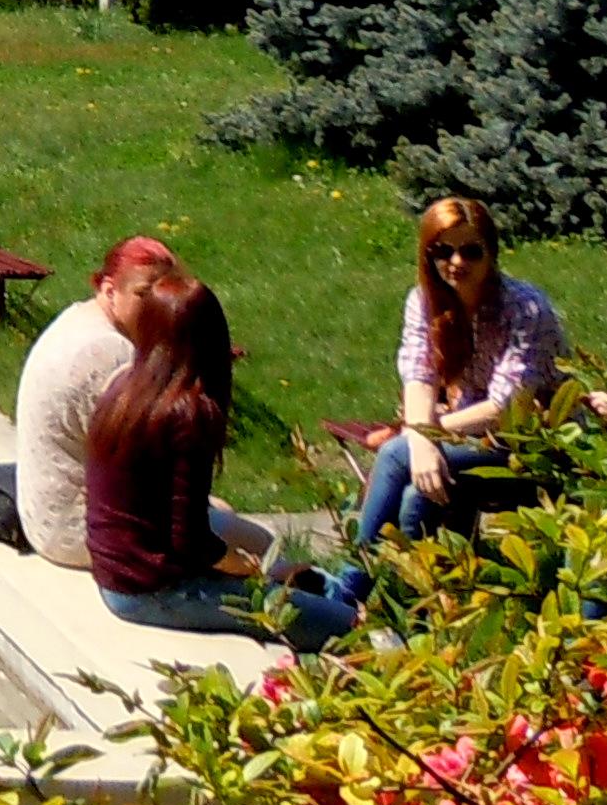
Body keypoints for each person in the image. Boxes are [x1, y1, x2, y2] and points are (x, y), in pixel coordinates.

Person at [83, 275, 362, 652]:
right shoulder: (188, 413)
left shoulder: (124, 389)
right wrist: (253, 570)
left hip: (118, 575)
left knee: (313, 586)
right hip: (156, 590)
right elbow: (192, 543)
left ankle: (340, 593)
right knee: (348, 628)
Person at [15, 236, 278, 579]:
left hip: (46, 513)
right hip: (79, 533)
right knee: (263, 544)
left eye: (164, 291)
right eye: (144, 294)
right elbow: (149, 476)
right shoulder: (110, 357)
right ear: (110, 290)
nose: (158, 304)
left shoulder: (77, 317)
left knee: (220, 514)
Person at [352, 194, 568, 545]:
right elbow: (419, 376)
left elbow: (504, 408)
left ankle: (353, 576)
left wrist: (421, 435)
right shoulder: (424, 301)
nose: (456, 262)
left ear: (491, 253)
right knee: (417, 491)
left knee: (395, 454)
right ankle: (393, 575)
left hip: (531, 445)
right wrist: (422, 438)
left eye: (471, 251)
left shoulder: (526, 309)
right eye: (443, 251)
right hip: (467, 435)